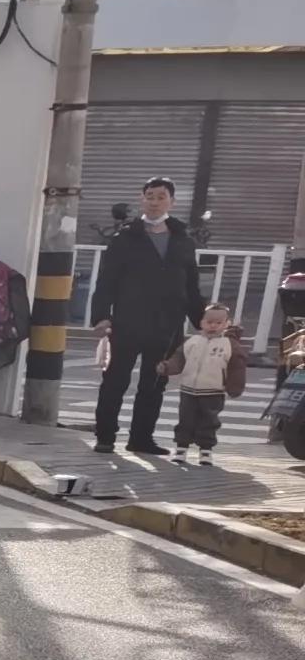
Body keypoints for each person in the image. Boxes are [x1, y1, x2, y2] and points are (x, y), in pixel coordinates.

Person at [92, 175, 205, 458]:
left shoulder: (182, 240)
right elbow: (107, 280)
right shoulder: (125, 238)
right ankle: (105, 437)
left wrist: (202, 321)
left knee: (154, 383)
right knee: (115, 380)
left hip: (167, 323)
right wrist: (102, 316)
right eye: (150, 196)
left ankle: (141, 439)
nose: (155, 202)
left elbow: (191, 284)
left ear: (172, 202)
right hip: (128, 321)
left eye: (161, 197)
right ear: (142, 199)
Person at [165, 298, 245, 465]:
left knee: (209, 421)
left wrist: (235, 386)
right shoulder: (192, 342)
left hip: (213, 391)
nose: (213, 326)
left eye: (218, 323)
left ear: (226, 324)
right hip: (188, 390)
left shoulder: (229, 345)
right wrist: (167, 367)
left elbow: (237, 367)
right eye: (209, 322)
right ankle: (181, 448)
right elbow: (179, 359)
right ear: (202, 323)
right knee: (185, 419)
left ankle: (206, 450)